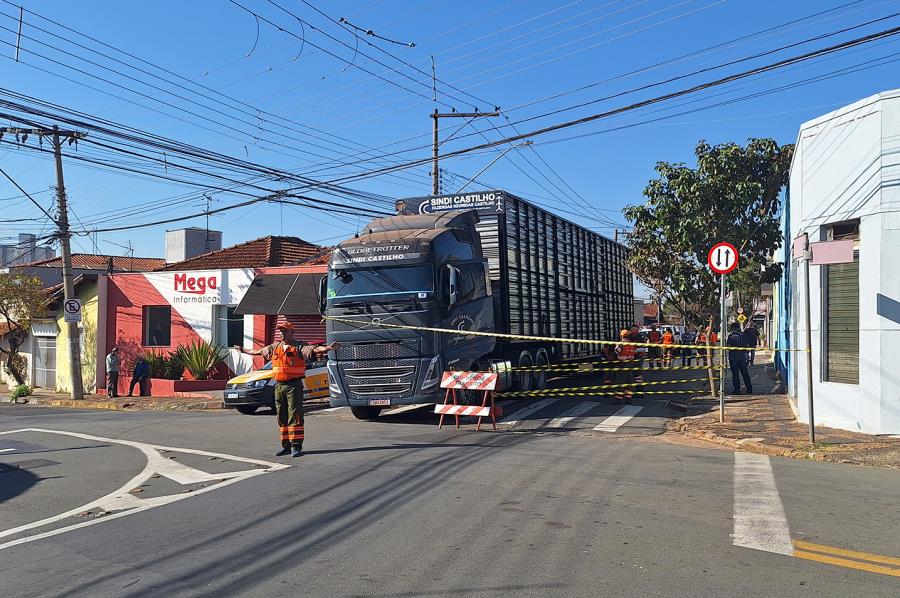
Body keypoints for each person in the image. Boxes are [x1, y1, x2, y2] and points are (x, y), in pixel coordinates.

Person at [237, 320, 339, 457]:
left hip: (293, 386)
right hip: (279, 386)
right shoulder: (274, 347)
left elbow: (314, 349)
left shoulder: (299, 346)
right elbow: (258, 351)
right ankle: (286, 446)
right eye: (281, 331)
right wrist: (243, 350)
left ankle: (296, 446)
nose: (282, 333)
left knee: (295, 415)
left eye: (285, 331)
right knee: (281, 416)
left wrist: (328, 348)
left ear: (292, 332)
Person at [726, 322, 753, 395]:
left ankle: (737, 390)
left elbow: (728, 346)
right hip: (742, 357)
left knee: (735, 375)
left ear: (732, 328)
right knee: (745, 373)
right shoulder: (744, 335)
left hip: (733, 358)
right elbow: (747, 346)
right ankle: (749, 388)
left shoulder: (731, 336)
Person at [614, 329, 638, 403]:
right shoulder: (632, 344)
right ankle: (628, 399)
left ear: (621, 335)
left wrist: (615, 364)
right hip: (630, 364)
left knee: (620, 381)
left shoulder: (621, 344)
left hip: (622, 363)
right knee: (629, 381)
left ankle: (618, 399)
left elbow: (616, 353)